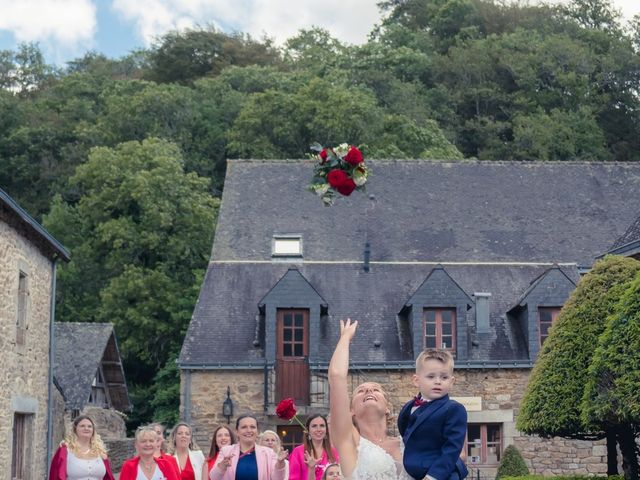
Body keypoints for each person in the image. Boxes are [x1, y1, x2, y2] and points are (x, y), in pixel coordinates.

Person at [328, 319, 411, 480]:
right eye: (360, 391)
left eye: (376, 389)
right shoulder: (349, 442)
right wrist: (345, 338)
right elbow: (336, 376)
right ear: (350, 411)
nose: (368, 390)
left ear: (387, 407)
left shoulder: (408, 442)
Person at [397, 349, 468, 480]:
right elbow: (407, 433)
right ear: (416, 380)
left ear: (452, 381)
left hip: (443, 474)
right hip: (414, 473)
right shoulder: (409, 407)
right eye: (431, 376)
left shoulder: (454, 409)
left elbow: (452, 448)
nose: (438, 381)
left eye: (444, 377)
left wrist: (432, 476)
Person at [210, 413, 288, 480]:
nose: (249, 430)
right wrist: (222, 466)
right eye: (244, 427)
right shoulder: (226, 451)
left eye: (252, 427)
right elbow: (214, 477)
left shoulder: (268, 453)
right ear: (237, 431)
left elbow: (277, 478)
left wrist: (280, 463)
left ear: (257, 431)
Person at [49, 415, 116, 480]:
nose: (86, 428)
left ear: (93, 431)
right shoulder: (65, 451)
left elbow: (108, 477)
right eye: (82, 426)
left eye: (89, 426)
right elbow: (55, 475)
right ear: (75, 429)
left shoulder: (100, 452)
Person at [288, 414, 338, 480]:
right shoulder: (298, 452)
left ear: (326, 430)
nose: (318, 429)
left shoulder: (334, 452)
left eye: (322, 426)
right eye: (314, 426)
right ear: (308, 430)